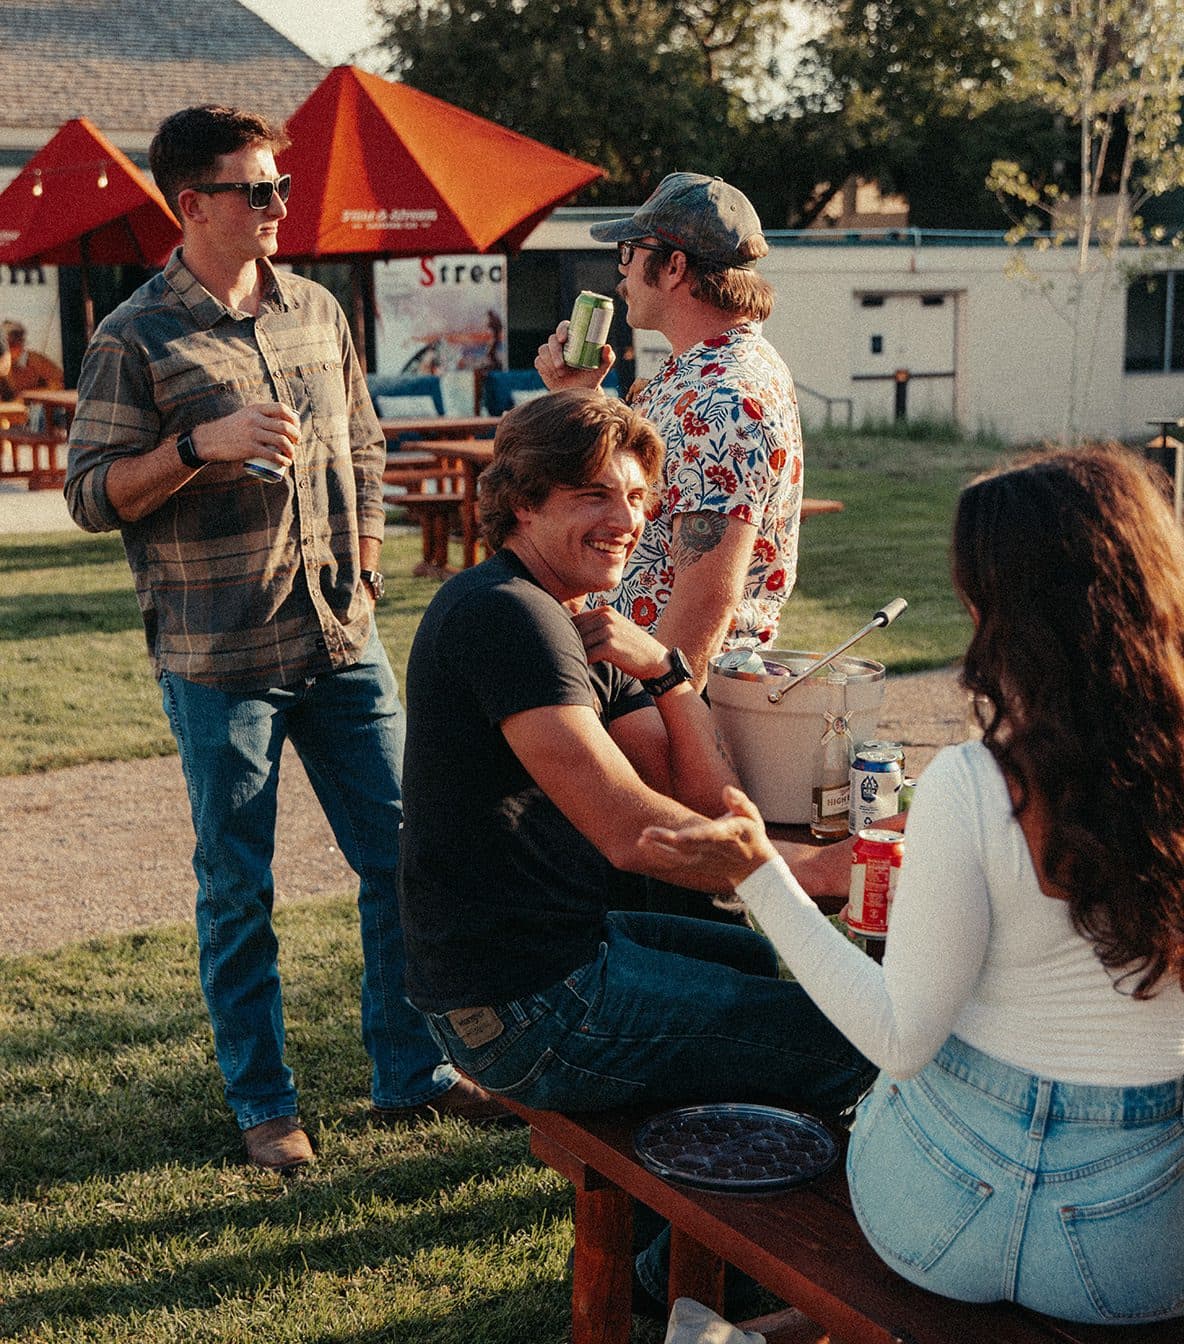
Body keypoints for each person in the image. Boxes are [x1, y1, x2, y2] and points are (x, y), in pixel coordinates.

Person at [640, 446, 1184, 1326]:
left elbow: (899, 1037)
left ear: (1005, 610)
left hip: (936, 1217)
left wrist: (758, 869)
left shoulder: (977, 783)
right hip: (1136, 1256)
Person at [63, 105, 503, 1174]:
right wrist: (195, 446)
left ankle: (412, 1074)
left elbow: (359, 433)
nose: (276, 206)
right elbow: (88, 494)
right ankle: (265, 1105)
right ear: (194, 205)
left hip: (342, 639)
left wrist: (363, 552)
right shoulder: (135, 335)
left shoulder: (314, 307)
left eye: (279, 187)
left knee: (406, 858)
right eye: (255, 190)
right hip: (220, 660)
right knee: (237, 888)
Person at [397, 388, 872, 1122]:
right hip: (526, 1005)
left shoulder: (579, 621)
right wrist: (812, 871)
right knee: (854, 1042)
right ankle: (747, 1228)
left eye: (637, 497)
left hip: (559, 955)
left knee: (745, 958)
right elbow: (631, 832)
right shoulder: (505, 615)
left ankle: (673, 1229)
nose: (627, 522)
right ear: (524, 503)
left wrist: (670, 675)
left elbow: (700, 803)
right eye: (594, 495)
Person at [534, 172, 803, 689]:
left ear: (675, 265)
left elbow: (706, 601)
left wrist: (665, 727)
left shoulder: (725, 398)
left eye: (629, 251)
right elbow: (646, 495)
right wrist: (579, 396)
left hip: (660, 696)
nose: (621, 272)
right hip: (639, 683)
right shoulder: (705, 370)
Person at [0, 321, 64, 399]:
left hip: (41, 404)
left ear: (20, 345)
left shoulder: (37, 360)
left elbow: (59, 383)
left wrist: (31, 395)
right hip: (16, 406)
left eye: (11, 346)